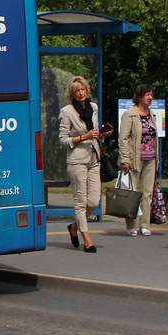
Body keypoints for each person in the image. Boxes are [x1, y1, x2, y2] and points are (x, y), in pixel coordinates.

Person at [58, 75, 103, 253]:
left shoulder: (93, 107)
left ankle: (74, 226)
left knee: (93, 202)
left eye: (83, 89)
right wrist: (83, 137)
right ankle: (87, 240)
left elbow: (95, 132)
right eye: (77, 90)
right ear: (72, 94)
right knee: (80, 201)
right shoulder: (67, 112)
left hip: (93, 157)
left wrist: (102, 134)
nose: (81, 93)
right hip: (77, 159)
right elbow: (62, 140)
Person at [119, 83, 158, 236]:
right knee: (132, 193)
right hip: (134, 158)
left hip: (150, 158)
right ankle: (131, 225)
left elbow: (155, 137)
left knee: (147, 192)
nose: (150, 98)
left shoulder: (152, 114)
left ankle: (145, 225)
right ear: (140, 97)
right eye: (147, 95)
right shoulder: (130, 114)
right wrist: (125, 159)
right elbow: (124, 138)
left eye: (152, 95)